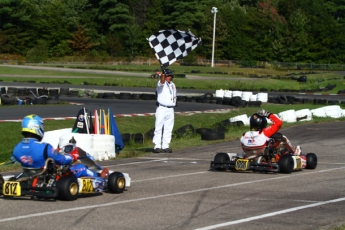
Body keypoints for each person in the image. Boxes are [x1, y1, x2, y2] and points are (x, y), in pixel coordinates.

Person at [12, 114, 109, 180]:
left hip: (30, 175)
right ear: (37, 128)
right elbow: (61, 160)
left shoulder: (16, 148)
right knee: (81, 168)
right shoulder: (45, 147)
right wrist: (72, 157)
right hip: (48, 176)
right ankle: (100, 177)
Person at [152, 69, 176, 153]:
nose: (169, 77)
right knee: (158, 127)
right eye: (167, 76)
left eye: (170, 76)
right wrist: (162, 75)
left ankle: (166, 146)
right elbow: (162, 82)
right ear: (164, 76)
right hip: (162, 108)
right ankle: (157, 146)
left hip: (170, 109)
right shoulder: (161, 84)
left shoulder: (173, 84)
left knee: (168, 128)